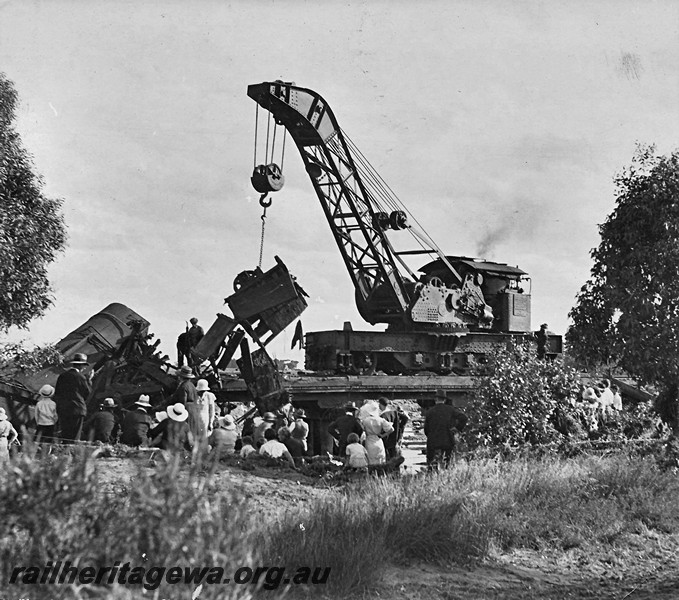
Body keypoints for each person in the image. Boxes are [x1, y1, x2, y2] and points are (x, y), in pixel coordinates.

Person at [423, 390, 468, 469]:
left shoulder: (430, 412)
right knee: (448, 463)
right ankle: (446, 476)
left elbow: (426, 429)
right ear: (445, 400)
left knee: (432, 464)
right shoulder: (451, 410)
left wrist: (430, 435)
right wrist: (457, 428)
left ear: (435, 400)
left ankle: (432, 477)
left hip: (433, 441)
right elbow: (464, 418)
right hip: (448, 440)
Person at [54, 353, 92, 442]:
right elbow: (87, 393)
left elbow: (57, 393)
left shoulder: (62, 376)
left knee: (65, 435)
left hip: (63, 409)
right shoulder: (81, 377)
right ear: (81, 366)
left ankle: (64, 454)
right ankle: (71, 454)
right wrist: (89, 380)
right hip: (77, 409)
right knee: (75, 437)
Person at [360, 400, 394, 466]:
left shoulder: (365, 420)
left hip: (369, 440)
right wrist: (382, 435)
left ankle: (371, 474)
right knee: (380, 460)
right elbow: (391, 429)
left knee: (370, 460)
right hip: (378, 440)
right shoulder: (380, 420)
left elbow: (362, 430)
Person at [190, 379, 216, 448]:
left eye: (203, 391)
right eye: (200, 391)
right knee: (195, 436)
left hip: (205, 420)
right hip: (195, 419)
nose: (202, 392)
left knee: (205, 437)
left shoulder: (209, 396)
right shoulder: (193, 396)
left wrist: (211, 422)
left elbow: (212, 410)